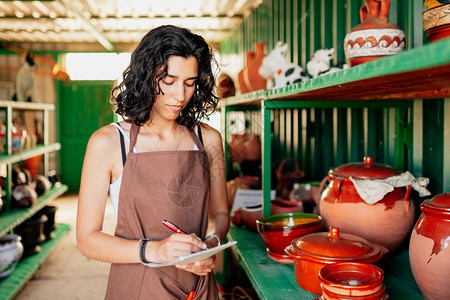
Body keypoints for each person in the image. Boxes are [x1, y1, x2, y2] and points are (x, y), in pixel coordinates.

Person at [76, 25, 230, 299]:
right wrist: (154, 250)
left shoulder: (208, 140)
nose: (180, 95)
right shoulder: (109, 143)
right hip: (137, 287)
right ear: (145, 77)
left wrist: (210, 244)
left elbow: (220, 215)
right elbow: (87, 239)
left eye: (190, 82)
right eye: (168, 82)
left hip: (200, 287)